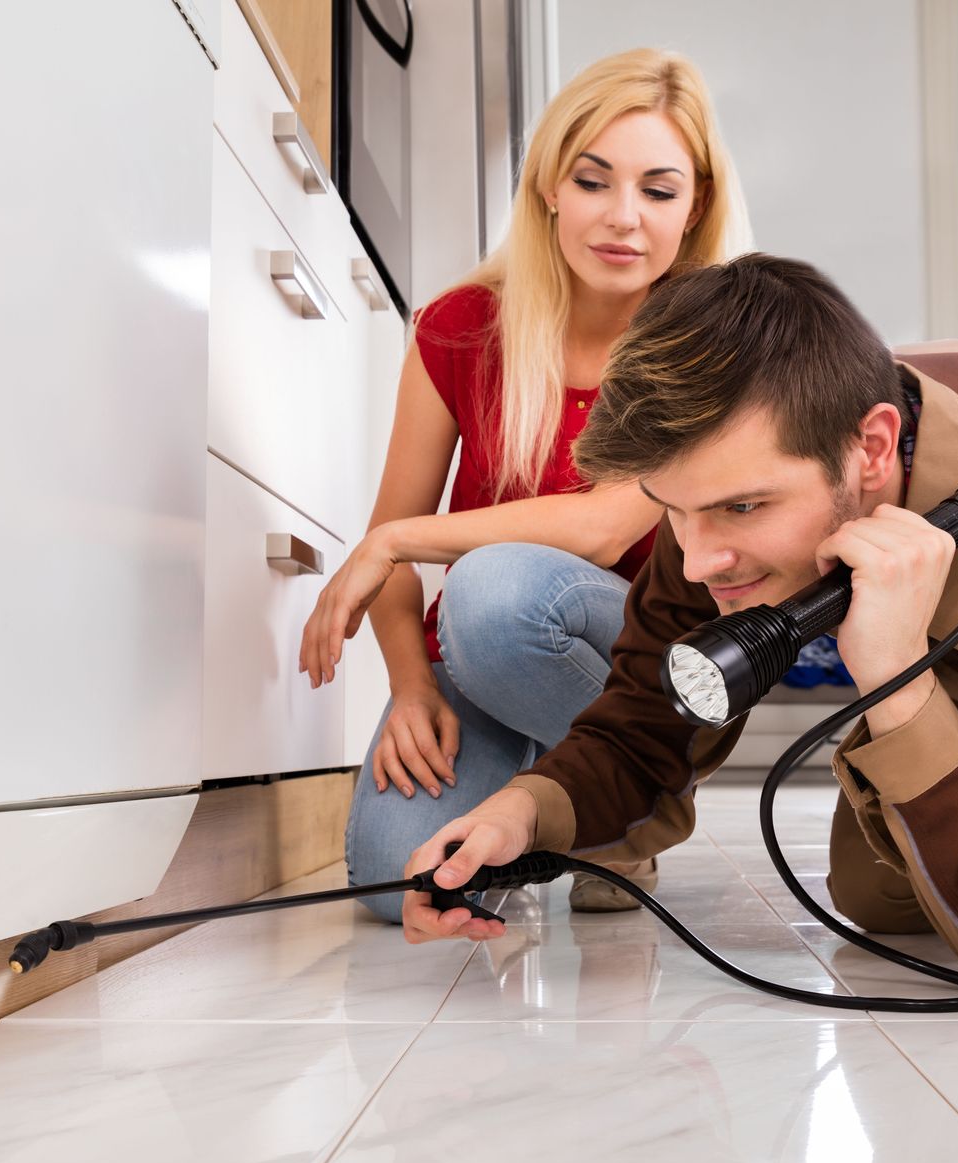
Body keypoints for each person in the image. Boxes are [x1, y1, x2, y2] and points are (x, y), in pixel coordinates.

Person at [398, 253, 958, 992]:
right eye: (673, 508)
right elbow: (639, 735)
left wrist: (896, 680)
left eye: (743, 508)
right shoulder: (717, 501)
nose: (696, 564)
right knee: (873, 885)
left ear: (873, 449)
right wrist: (519, 815)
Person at [297, 50, 749, 922]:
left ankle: (628, 802)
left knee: (494, 587)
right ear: (549, 185)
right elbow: (394, 539)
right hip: (483, 653)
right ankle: (575, 809)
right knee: (404, 883)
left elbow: (602, 530)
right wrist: (412, 689)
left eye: (658, 191)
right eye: (593, 181)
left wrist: (390, 542)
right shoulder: (460, 327)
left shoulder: (709, 337)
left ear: (693, 210)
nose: (624, 219)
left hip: (653, 665)